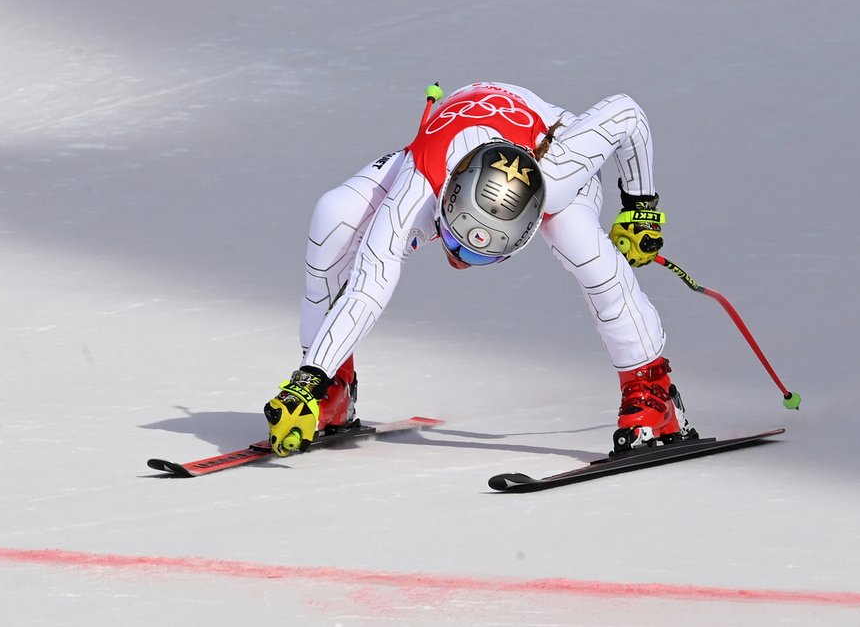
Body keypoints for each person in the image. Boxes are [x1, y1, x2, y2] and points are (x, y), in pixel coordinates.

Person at [264, 81, 696, 457]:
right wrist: (309, 380)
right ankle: (331, 388)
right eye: (456, 242)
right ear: (446, 204)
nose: (461, 262)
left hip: (546, 136)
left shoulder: (557, 174)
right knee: (334, 216)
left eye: (484, 255)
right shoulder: (420, 188)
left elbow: (626, 114)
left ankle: (651, 390)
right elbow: (368, 287)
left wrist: (641, 208)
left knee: (581, 243)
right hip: (443, 142)